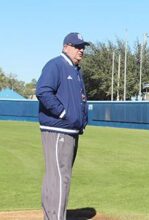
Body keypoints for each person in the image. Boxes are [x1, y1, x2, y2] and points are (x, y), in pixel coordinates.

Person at [36, 32, 90, 220]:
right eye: (77, 46)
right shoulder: (56, 65)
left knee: (56, 177)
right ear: (65, 47)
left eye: (83, 46)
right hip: (59, 129)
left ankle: (51, 216)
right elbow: (42, 91)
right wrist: (63, 113)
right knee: (60, 178)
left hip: (70, 130)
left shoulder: (75, 70)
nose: (81, 50)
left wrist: (80, 120)